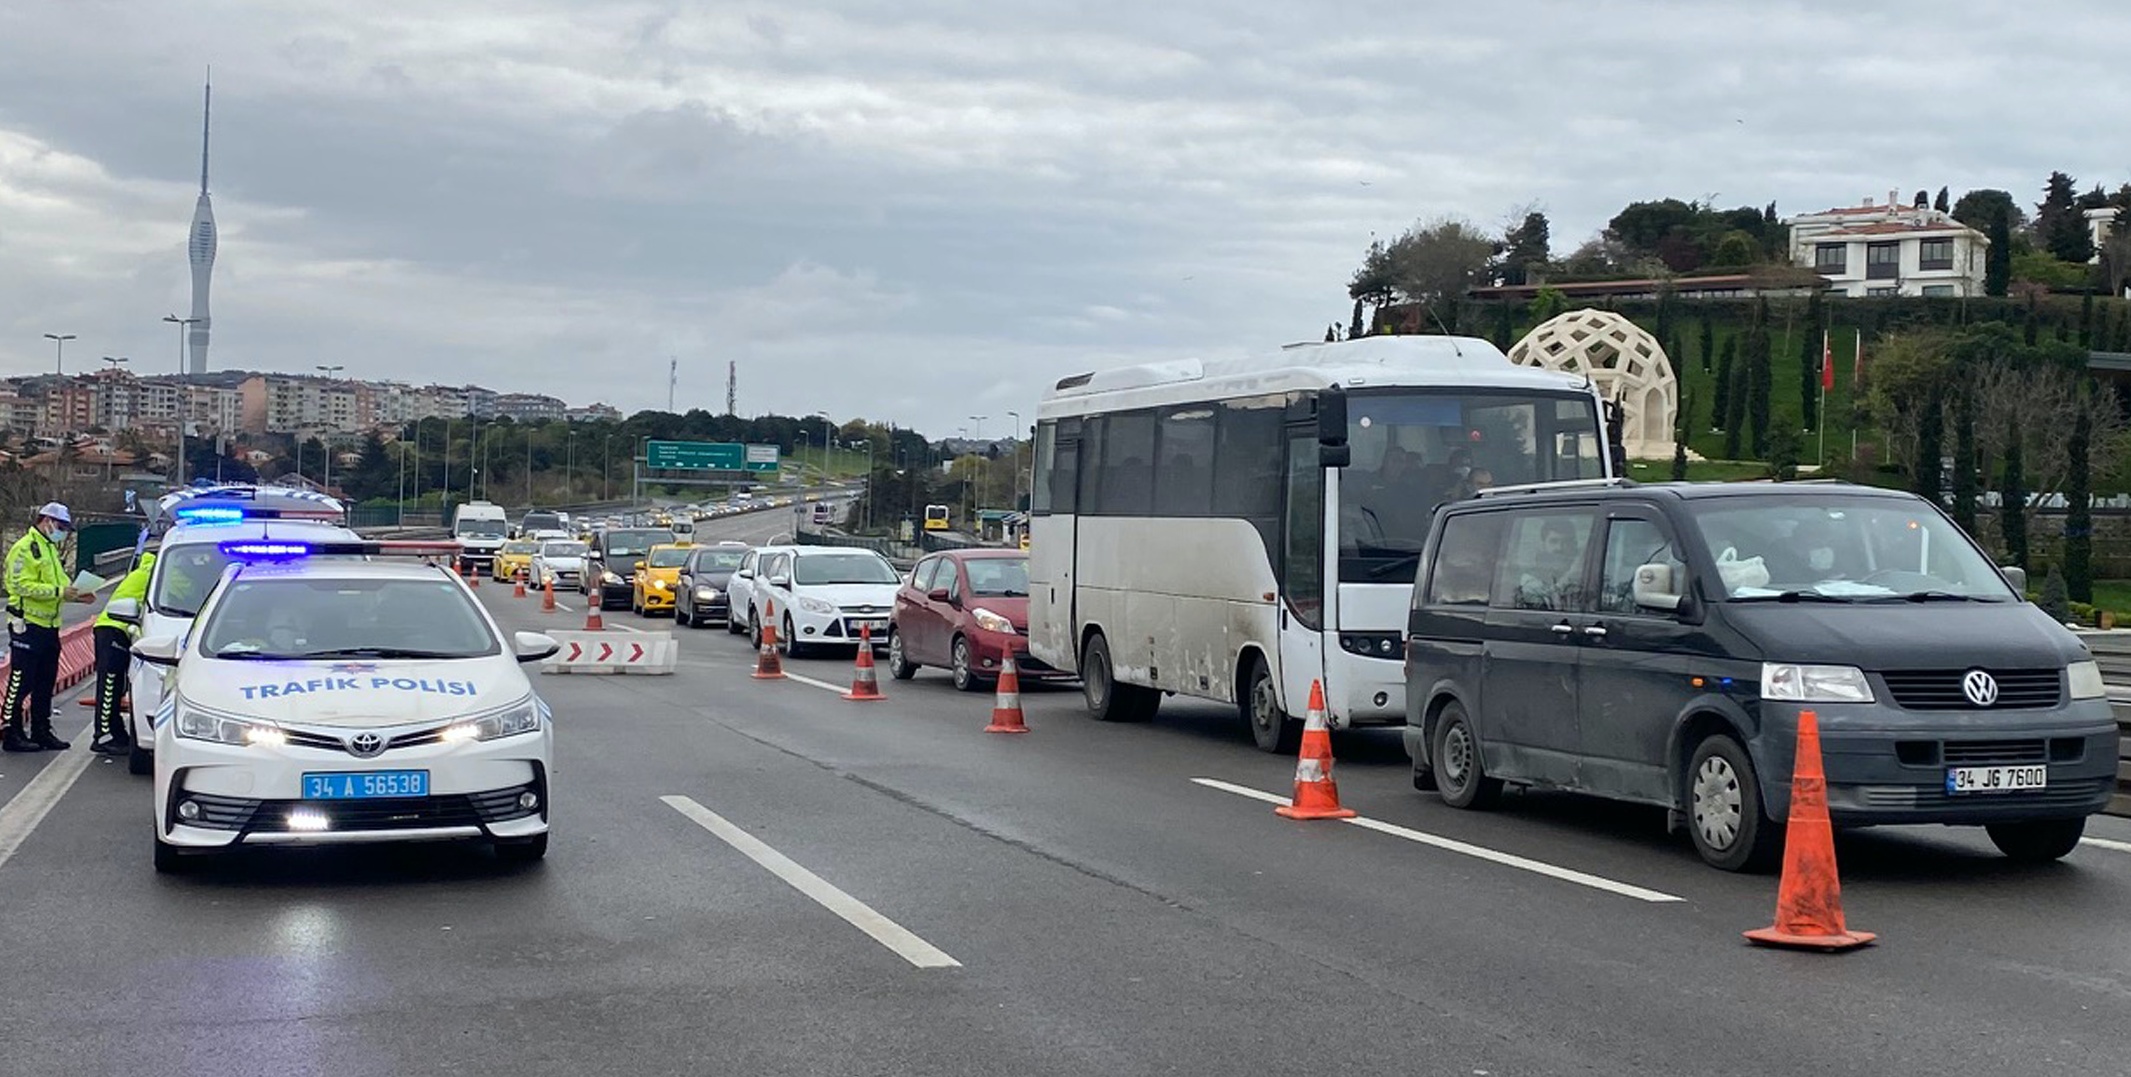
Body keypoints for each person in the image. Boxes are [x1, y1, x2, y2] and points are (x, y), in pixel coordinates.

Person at [3, 503, 95, 753]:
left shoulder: (49, 549)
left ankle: (41, 731)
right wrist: (59, 592)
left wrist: (77, 594)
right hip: (27, 625)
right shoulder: (25, 548)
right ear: (47, 521)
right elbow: (19, 585)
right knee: (21, 681)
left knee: (45, 681)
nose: (63, 532)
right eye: (61, 527)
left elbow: (61, 582)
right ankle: (11, 732)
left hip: (49, 626)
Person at [89, 550, 155, 755]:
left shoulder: (143, 571)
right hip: (114, 629)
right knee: (109, 683)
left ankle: (116, 733)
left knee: (116, 685)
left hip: (112, 628)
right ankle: (104, 735)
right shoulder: (152, 575)